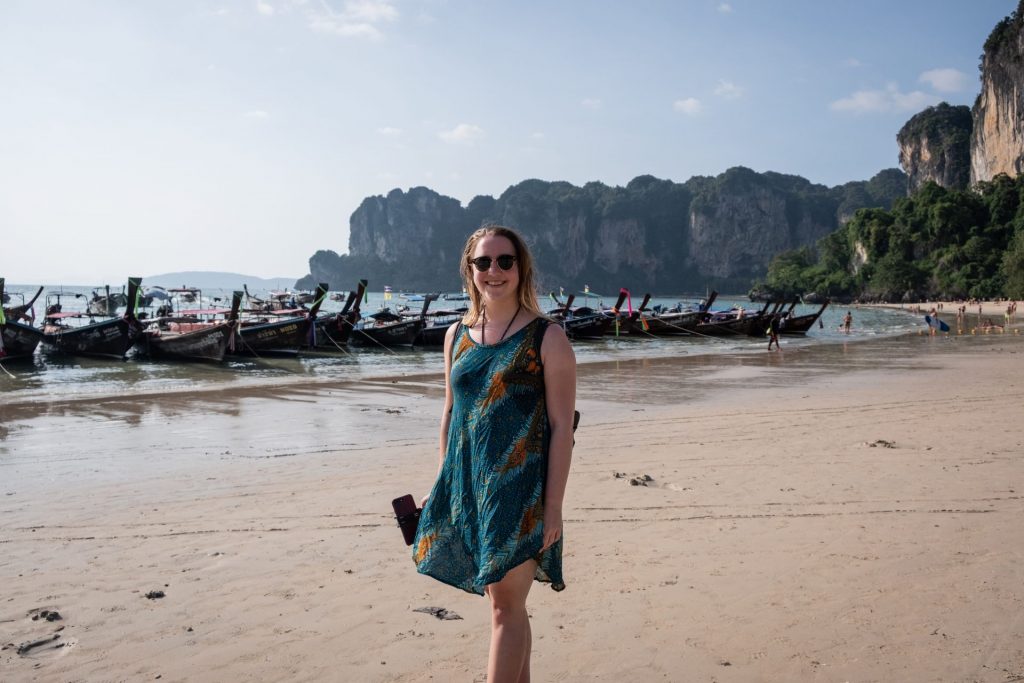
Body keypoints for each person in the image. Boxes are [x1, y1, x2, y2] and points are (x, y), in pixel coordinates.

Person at [413, 225, 577, 682]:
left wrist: (553, 507)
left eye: (505, 260)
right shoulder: (455, 336)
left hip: (521, 492)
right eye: (483, 262)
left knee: (506, 608)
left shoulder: (547, 338)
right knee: (505, 605)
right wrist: (444, 485)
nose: (494, 271)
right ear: (470, 271)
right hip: (470, 488)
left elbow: (563, 428)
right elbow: (450, 414)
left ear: (521, 267)